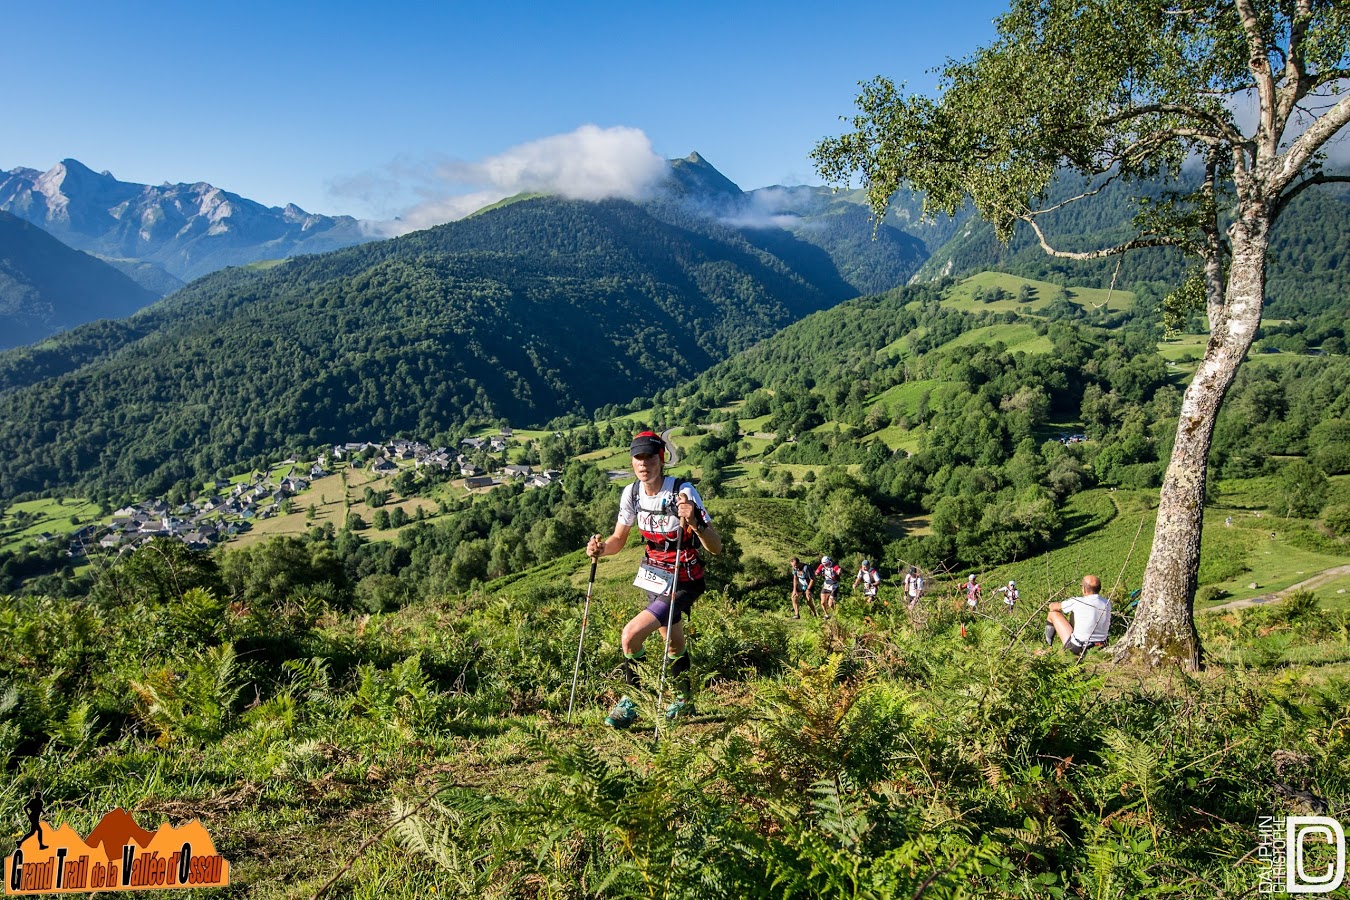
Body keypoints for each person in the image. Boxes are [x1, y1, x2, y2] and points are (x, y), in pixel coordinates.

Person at [586, 431, 722, 728]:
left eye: (649, 456)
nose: (643, 463)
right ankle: (685, 702)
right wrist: (600, 549)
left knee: (630, 635)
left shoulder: (682, 491)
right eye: (638, 457)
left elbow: (716, 546)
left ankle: (630, 702)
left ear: (661, 459)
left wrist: (696, 522)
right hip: (654, 577)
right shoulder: (631, 494)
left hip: (683, 576)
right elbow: (618, 540)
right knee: (673, 643)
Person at [1046, 574, 1112, 655]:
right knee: (1074, 614)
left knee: (1052, 614)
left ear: (1084, 589)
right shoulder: (1107, 603)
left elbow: (1053, 607)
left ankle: (1048, 646)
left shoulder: (1077, 602)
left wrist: (1051, 604)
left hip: (1078, 647)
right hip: (1101, 646)